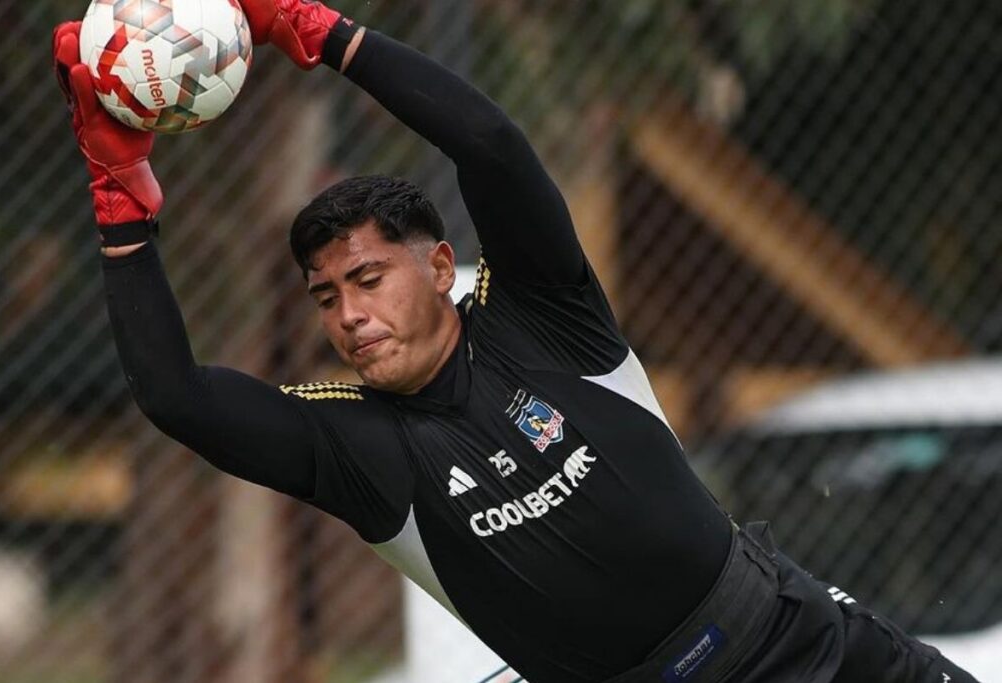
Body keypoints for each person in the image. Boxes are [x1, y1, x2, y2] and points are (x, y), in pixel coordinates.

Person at [52, 3, 979, 682]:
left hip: (791, 636)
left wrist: (325, 35)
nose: (349, 315)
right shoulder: (361, 448)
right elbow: (176, 393)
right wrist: (118, 201)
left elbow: (491, 147)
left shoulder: (543, 316)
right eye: (326, 297)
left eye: (369, 279)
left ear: (440, 263)